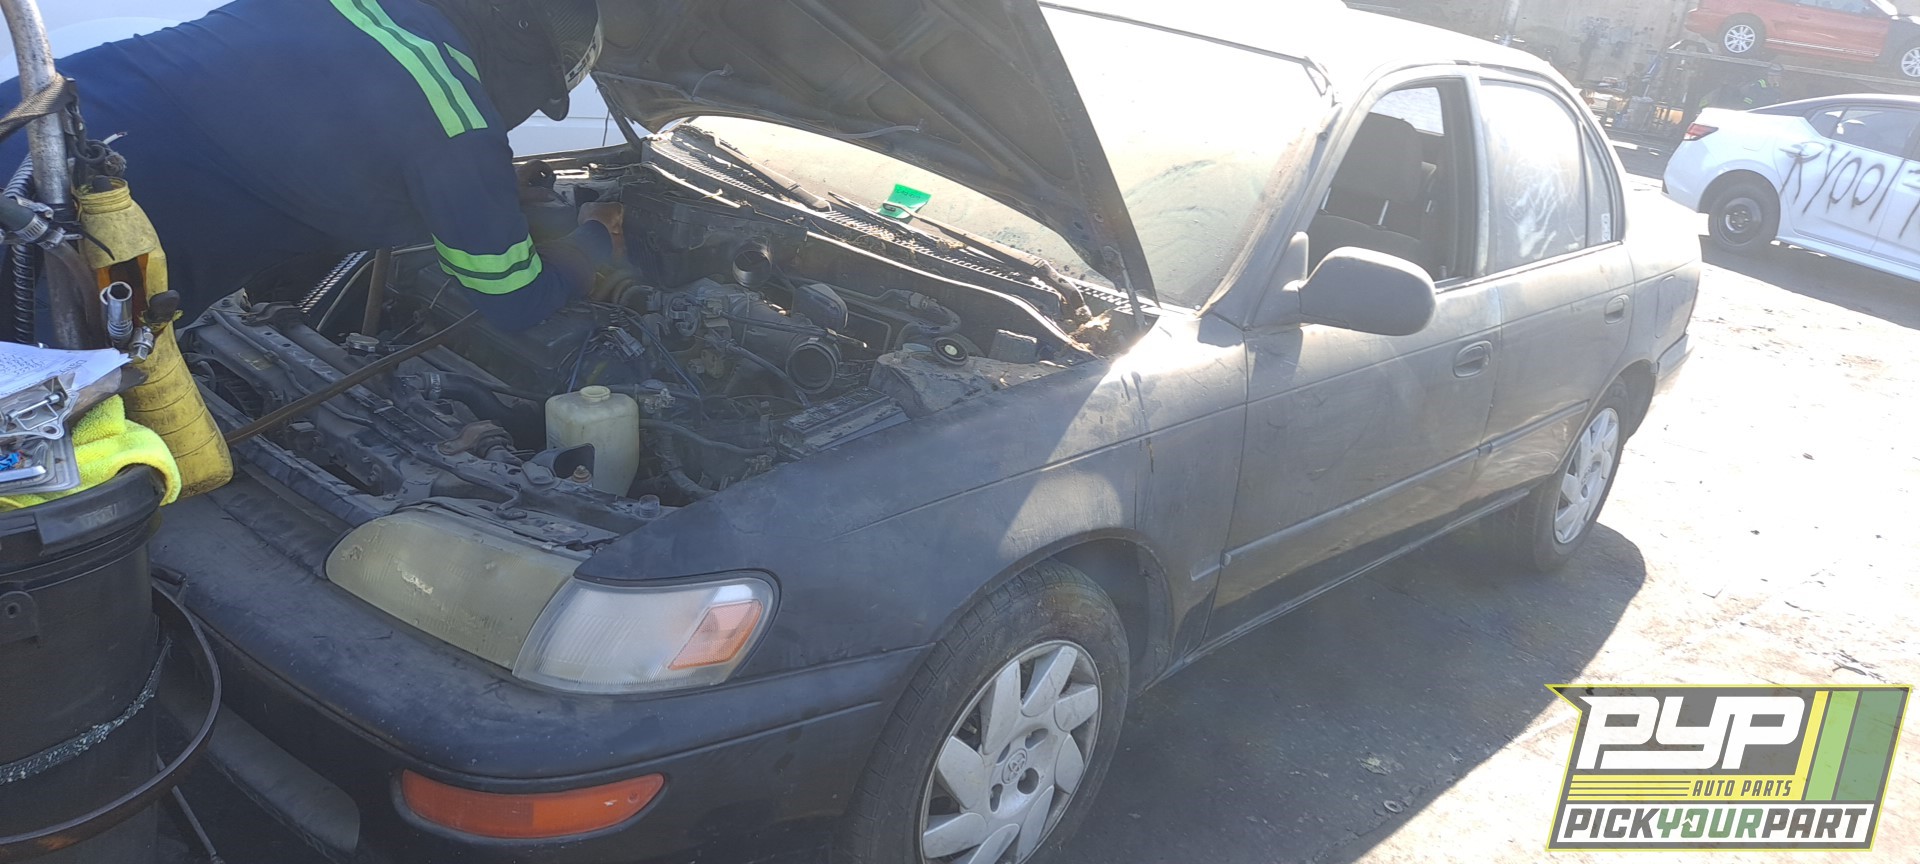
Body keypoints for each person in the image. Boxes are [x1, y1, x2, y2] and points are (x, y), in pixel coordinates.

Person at [0, 0, 608, 333]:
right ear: (523, 49)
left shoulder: (350, 7)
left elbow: (310, 147)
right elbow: (513, 299)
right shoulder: (453, 118)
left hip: (25, 127)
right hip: (71, 250)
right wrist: (598, 245)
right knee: (52, 483)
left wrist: (493, 192)